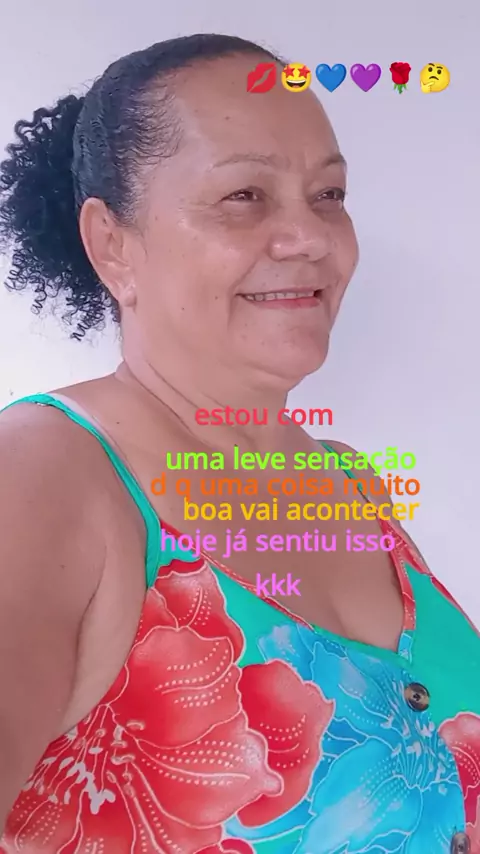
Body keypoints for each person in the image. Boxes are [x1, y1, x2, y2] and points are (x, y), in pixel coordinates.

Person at [0, 33, 478, 854]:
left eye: (328, 195)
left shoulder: (347, 482)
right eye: (244, 196)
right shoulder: (44, 472)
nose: (310, 236)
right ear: (112, 244)